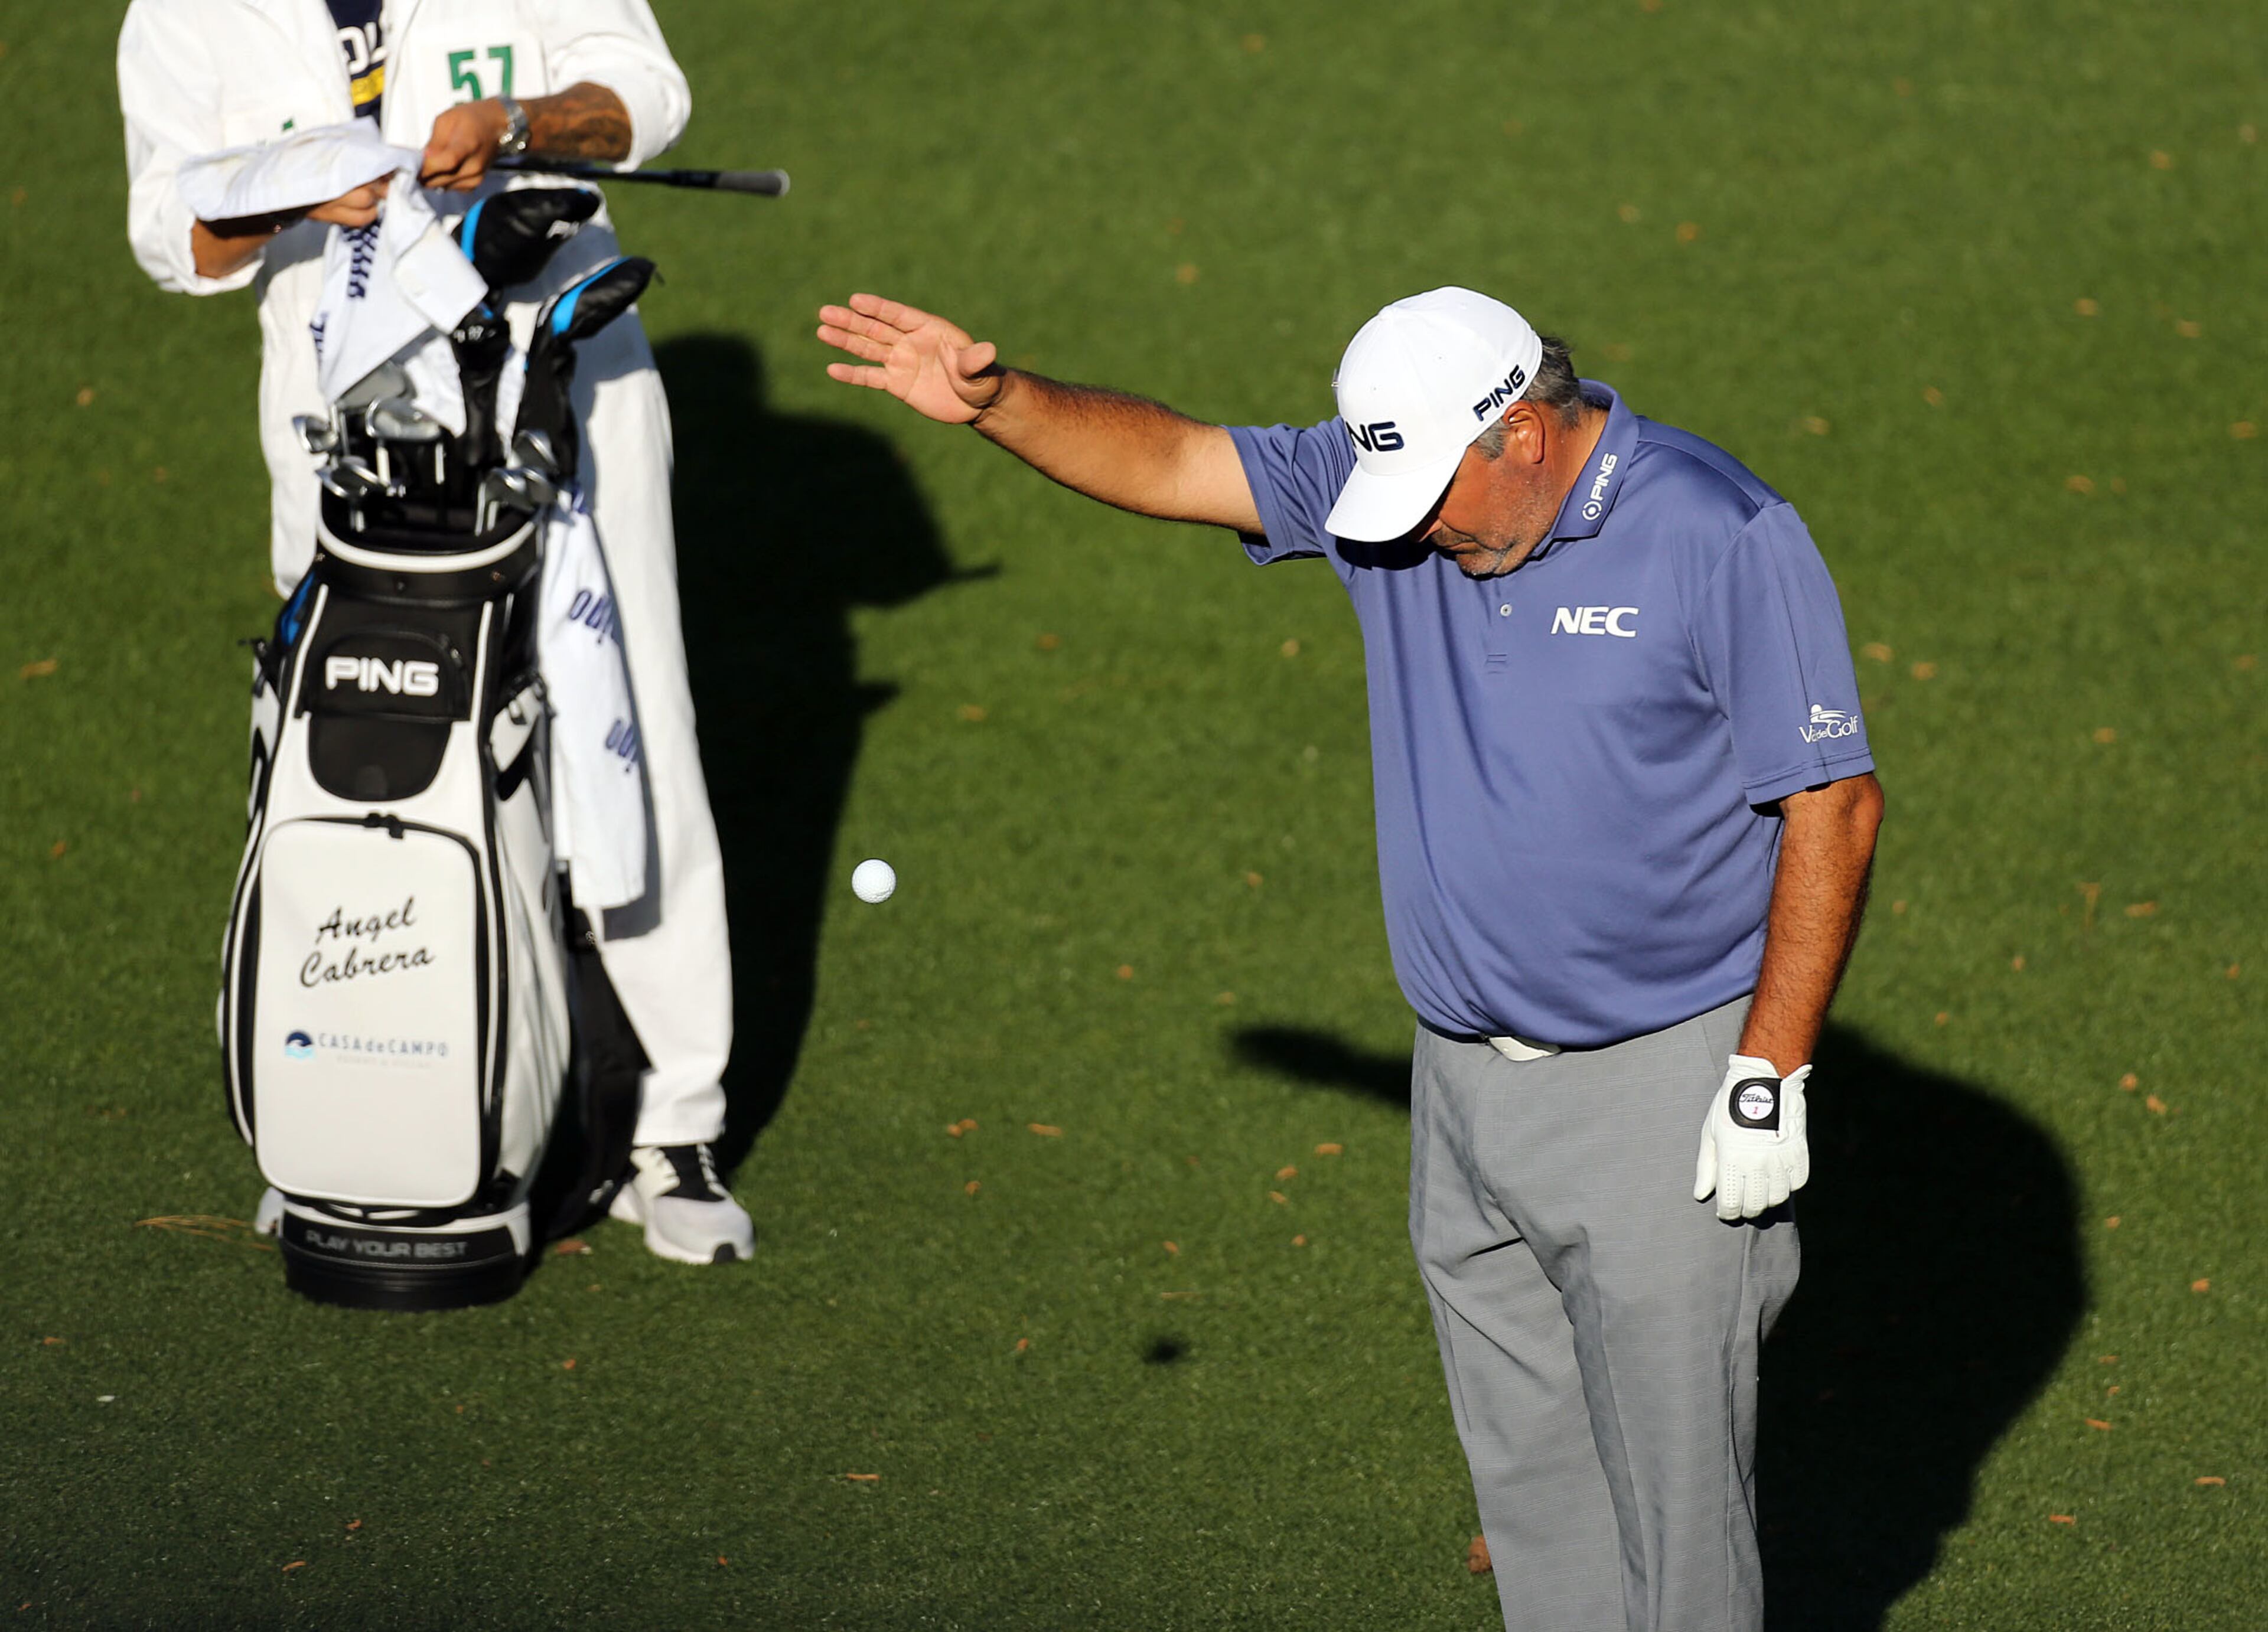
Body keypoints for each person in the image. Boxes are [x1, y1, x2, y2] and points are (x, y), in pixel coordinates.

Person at [817, 286, 1884, 1630]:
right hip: (1465, 1094)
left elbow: (1833, 802)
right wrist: (1000, 401)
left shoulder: (1719, 531)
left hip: (1660, 1089)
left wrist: (1768, 1072)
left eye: (1435, 495)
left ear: (1524, 434)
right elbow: (1177, 460)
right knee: (1537, 1489)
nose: (1412, 529)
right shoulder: (1402, 490)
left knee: (1680, 1520)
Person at [118, 0, 751, 1264]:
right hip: (341, 405)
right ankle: (342, 1114)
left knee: (630, 725)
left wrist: (517, 124)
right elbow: (171, 235)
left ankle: (668, 1124)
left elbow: (645, 97)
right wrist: (290, 195)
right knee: (350, 746)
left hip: (561, 376)